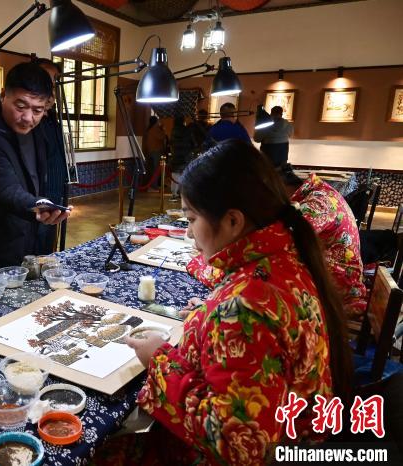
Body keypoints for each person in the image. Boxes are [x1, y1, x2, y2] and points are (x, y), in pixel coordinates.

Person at [125, 140, 352, 465]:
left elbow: (236, 445)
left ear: (233, 221)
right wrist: (207, 316)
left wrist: (159, 361)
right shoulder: (286, 257)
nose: (189, 234)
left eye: (191, 220)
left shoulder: (244, 306)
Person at [186, 163, 367, 318]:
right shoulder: (313, 194)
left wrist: (200, 266)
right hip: (320, 290)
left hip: (337, 297)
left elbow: (255, 256)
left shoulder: (317, 205)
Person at [0, 62, 72, 278]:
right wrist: (37, 206)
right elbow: (3, 187)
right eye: (20, 106)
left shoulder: (42, 124)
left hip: (32, 234)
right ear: (4, 94)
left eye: (37, 110)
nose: (28, 118)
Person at [34, 57, 68, 253]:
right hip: (37, 203)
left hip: (54, 199)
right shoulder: (30, 124)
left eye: (54, 85)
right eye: (46, 84)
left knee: (47, 253)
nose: (52, 92)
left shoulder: (52, 121)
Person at [168, 115, 194, 196]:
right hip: (186, 156)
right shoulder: (187, 130)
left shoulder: (173, 131)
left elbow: (171, 142)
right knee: (184, 174)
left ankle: (174, 192)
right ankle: (182, 192)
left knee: (175, 174)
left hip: (176, 155)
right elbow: (193, 142)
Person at [141, 116, 168, 192]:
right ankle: (153, 187)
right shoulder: (155, 129)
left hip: (149, 152)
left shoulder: (148, 129)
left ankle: (151, 186)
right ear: (156, 122)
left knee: (151, 169)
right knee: (156, 170)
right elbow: (162, 137)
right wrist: (163, 130)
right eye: (158, 121)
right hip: (156, 152)